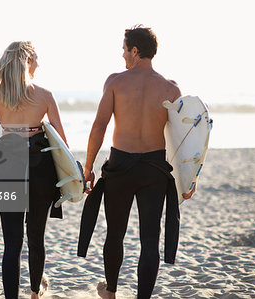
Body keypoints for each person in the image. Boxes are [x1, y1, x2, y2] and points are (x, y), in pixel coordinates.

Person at [79, 25, 195, 299]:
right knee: (149, 241)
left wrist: (88, 167)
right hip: (154, 170)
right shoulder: (170, 88)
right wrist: (189, 178)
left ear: (135, 50)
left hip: (120, 167)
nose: (122, 55)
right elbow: (184, 140)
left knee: (115, 234)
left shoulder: (116, 82)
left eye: (124, 50)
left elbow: (99, 126)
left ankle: (111, 292)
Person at [0, 41, 68, 299]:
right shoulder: (44, 95)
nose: (39, 64)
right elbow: (62, 143)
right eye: (37, 59)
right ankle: (35, 294)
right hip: (40, 169)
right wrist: (71, 174)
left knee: (12, 243)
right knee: (36, 237)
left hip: (8, 166)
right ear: (28, 61)